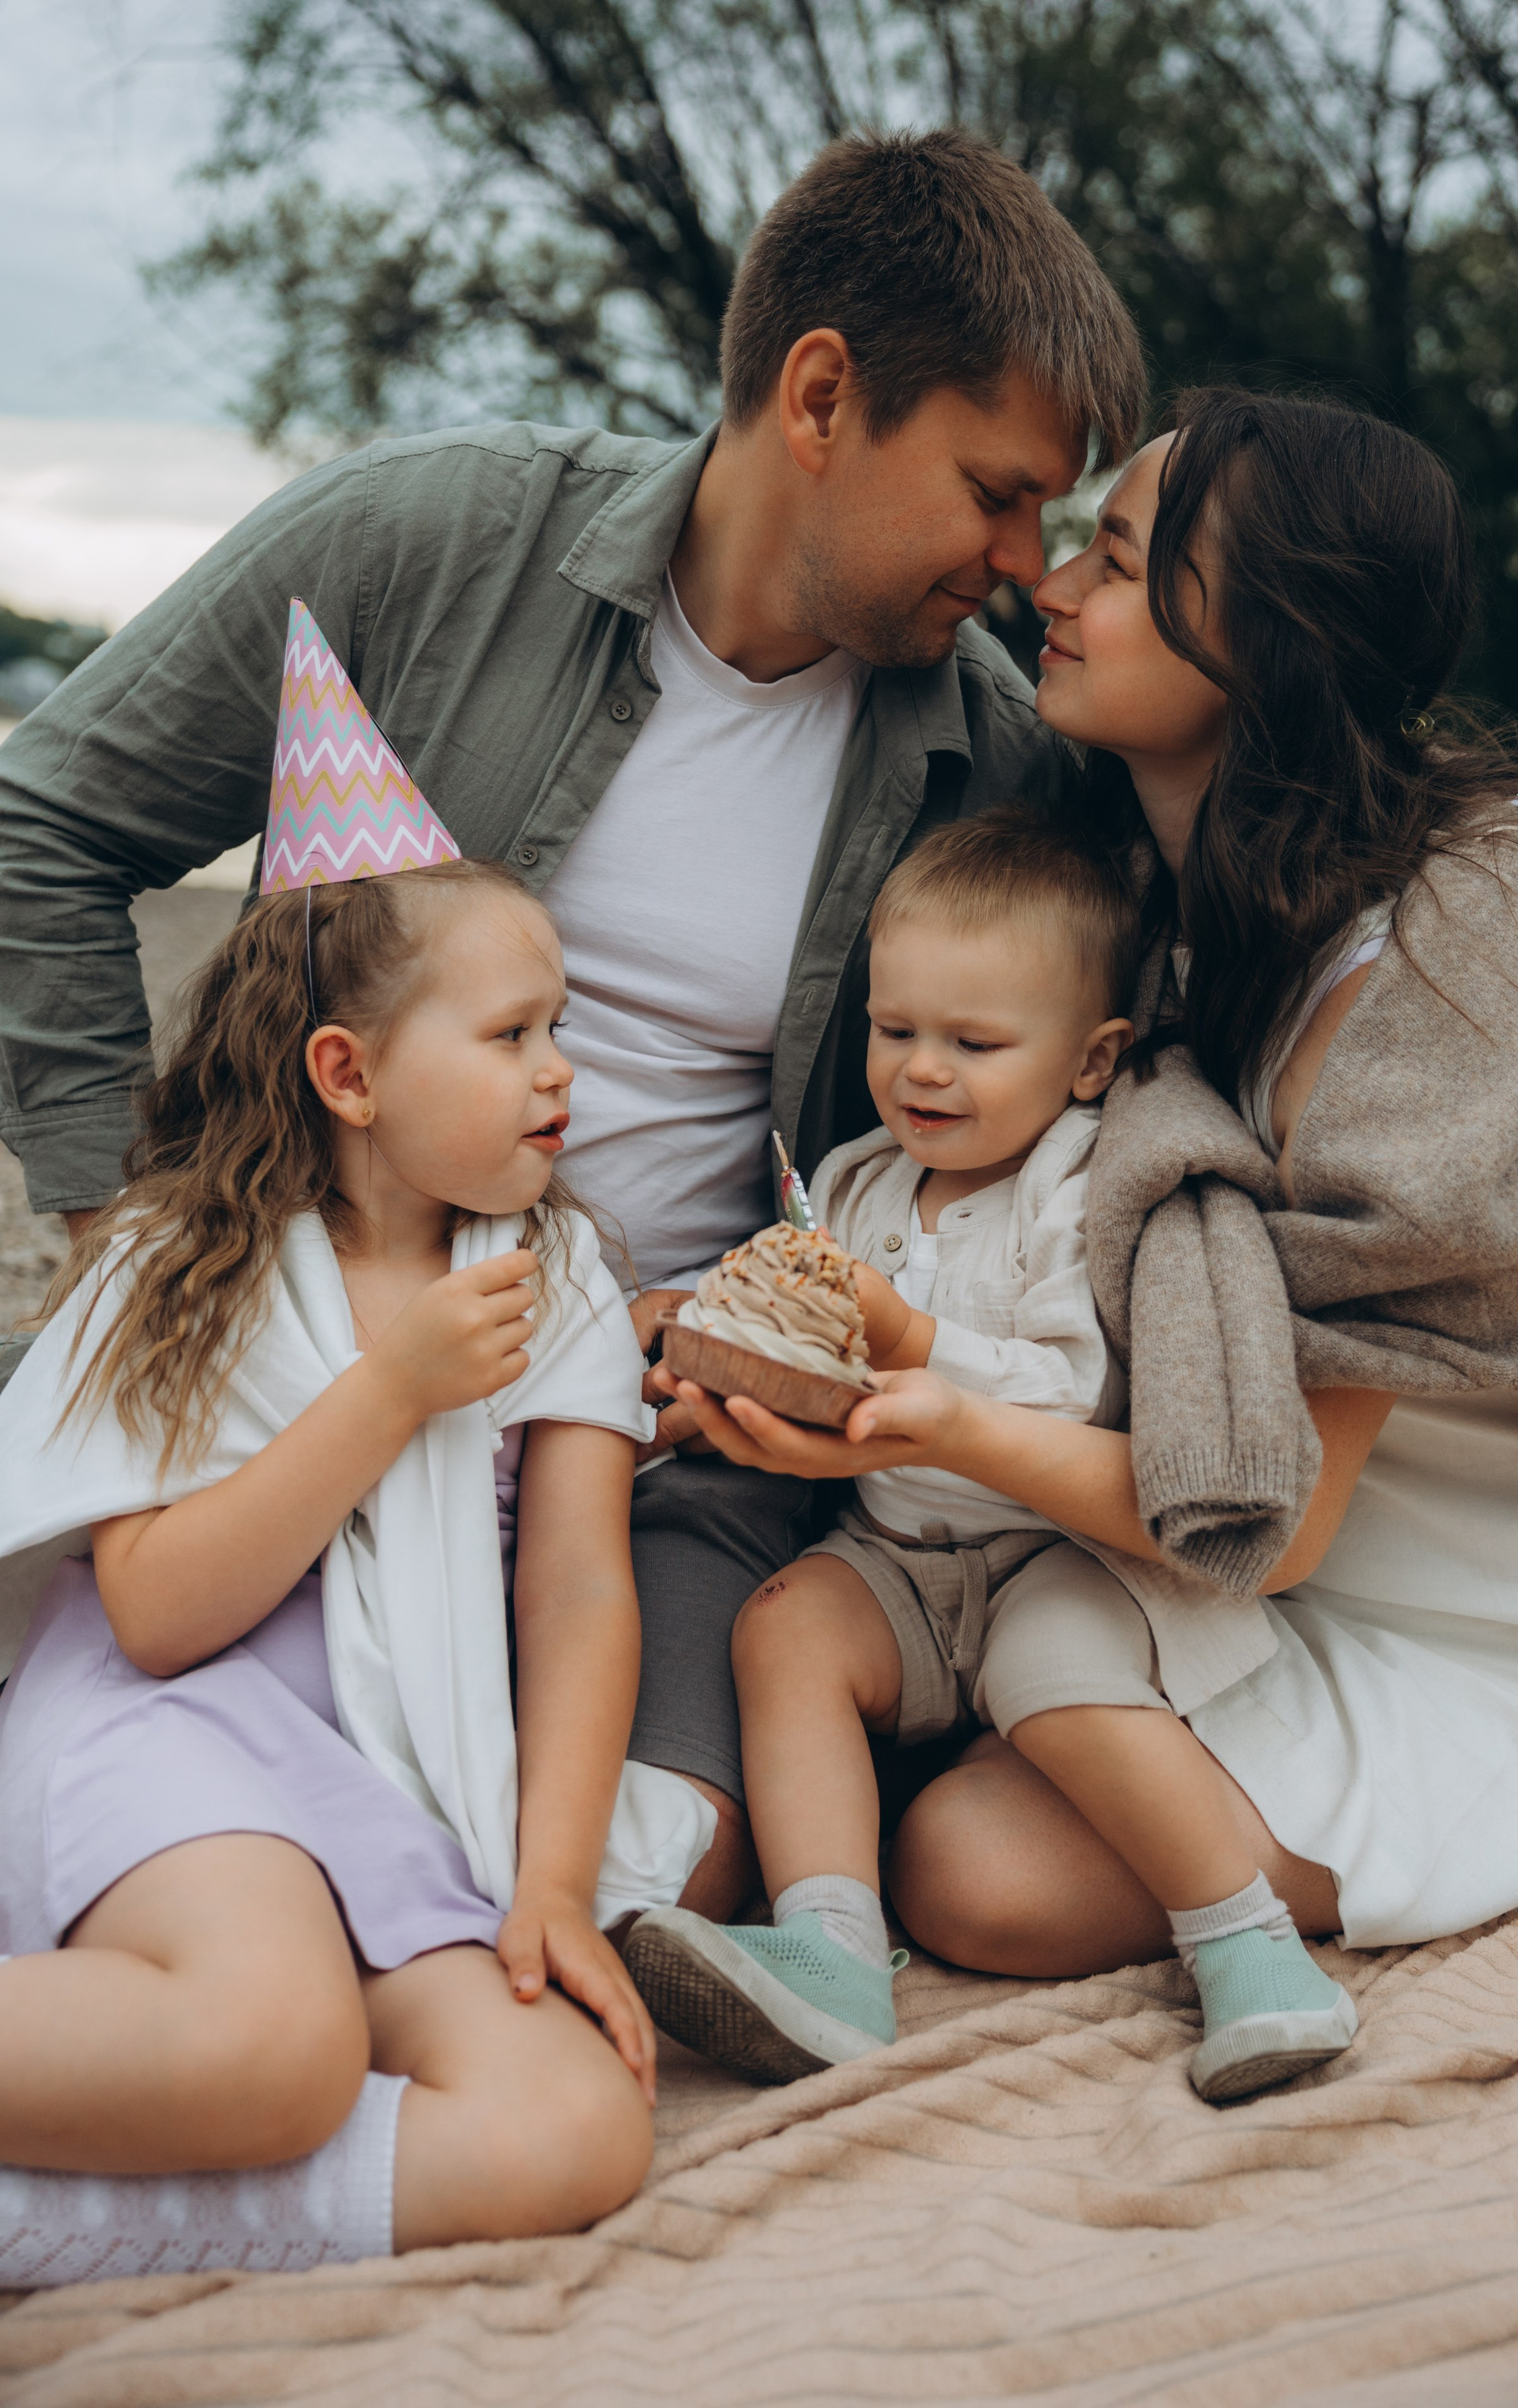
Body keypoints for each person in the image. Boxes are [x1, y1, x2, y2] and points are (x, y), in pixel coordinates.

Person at [0, 132, 1146, 1906]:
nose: (1021, 561)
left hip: (668, 1455)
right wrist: (144, 1261)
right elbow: (40, 827)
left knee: (648, 1872)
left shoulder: (987, 757)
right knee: (199, 1810)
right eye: (997, 491)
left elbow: (1065, 1084)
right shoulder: (427, 539)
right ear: (822, 395)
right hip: (303, 1369)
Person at [657, 387, 1518, 2078]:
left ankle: (1493, 1824)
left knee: (976, 1875)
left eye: (1121, 562)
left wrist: (934, 1418)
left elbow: (1275, 1523)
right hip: (1168, 1562)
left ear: (1267, 640)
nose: (1051, 586)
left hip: (1450, 1603)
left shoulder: (1442, 958)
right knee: (948, 1847)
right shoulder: (1127, 913)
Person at [0, 857, 681, 2286]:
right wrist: (389, 1393)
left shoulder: (551, 1286)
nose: (560, 1074)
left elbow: (573, 1600)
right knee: (276, 2046)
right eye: (511, 1037)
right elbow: (159, 1620)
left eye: (558, 1029)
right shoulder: (177, 1268)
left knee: (571, 2124)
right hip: (168, 1730)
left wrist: (549, 1885)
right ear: (347, 1074)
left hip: (386, 1777)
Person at [627, 809, 1288, 2085]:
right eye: (896, 1031)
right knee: (783, 1629)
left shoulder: (1075, 1189)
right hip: (891, 1550)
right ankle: (829, 1945)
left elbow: (1076, 1392)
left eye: (975, 1044)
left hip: (1052, 1552)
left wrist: (915, 1339)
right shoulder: (858, 1181)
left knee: (1065, 1686)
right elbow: (816, 1352)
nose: (924, 1072)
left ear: (1092, 1060)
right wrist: (712, 1342)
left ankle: (1245, 1944)